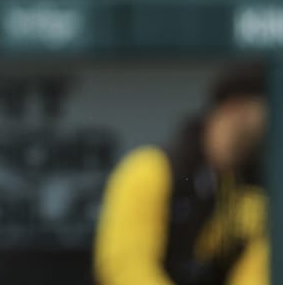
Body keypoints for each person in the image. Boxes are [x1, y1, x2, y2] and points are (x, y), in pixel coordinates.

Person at [94, 63, 270, 285]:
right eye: (266, 107)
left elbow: (256, 273)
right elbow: (126, 269)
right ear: (235, 108)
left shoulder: (255, 187)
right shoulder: (152, 169)